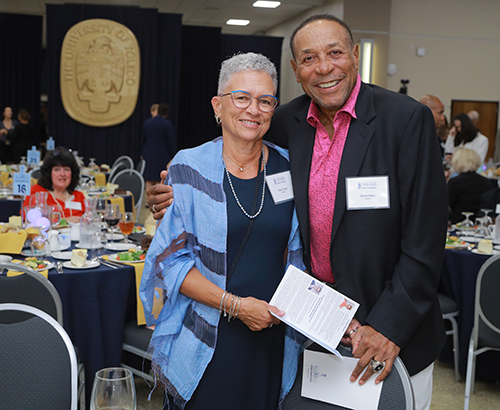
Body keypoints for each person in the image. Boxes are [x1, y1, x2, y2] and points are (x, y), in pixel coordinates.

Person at [146, 14, 448, 410]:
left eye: (335, 53)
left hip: (391, 328)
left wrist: (387, 326)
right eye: (309, 58)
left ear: (355, 56)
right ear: (296, 69)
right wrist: (173, 193)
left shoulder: (406, 120)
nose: (324, 68)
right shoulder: (288, 120)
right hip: (312, 325)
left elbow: (426, 240)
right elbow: (237, 147)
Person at [139, 53, 305, 410]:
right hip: (209, 331)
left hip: (271, 334)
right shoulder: (189, 166)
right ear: (218, 105)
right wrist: (236, 306)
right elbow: (172, 262)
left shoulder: (290, 167)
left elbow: (302, 251)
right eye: (241, 98)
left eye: (265, 101)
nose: (253, 110)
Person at [23, 147, 85, 223]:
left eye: (67, 169)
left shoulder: (79, 196)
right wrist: (64, 220)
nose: (62, 174)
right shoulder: (37, 193)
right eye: (57, 169)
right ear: (49, 173)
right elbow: (30, 219)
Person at [447, 148, 493, 224]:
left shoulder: (455, 182)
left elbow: (447, 205)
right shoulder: (487, 182)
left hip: (457, 223)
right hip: (479, 223)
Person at [141, 103, 177, 192]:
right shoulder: (167, 124)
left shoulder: (147, 122)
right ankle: (157, 198)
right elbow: (170, 141)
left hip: (148, 150)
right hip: (162, 152)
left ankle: (148, 199)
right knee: (159, 176)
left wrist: (142, 152)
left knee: (148, 177)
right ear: (166, 113)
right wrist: (173, 154)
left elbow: (143, 139)